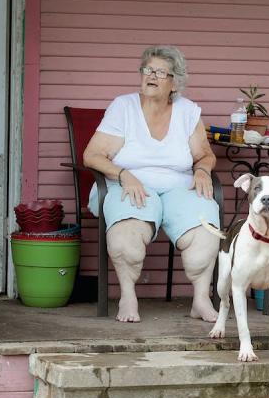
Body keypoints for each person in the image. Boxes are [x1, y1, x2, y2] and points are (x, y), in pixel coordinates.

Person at [83, 46, 220, 323]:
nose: (151, 76)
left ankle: (201, 300)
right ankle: (128, 297)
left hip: (179, 186)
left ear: (174, 82)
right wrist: (124, 175)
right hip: (129, 183)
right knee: (126, 241)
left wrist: (203, 170)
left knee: (205, 233)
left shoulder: (188, 111)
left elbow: (204, 154)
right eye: (147, 70)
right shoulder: (124, 107)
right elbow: (92, 155)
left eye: (159, 72)